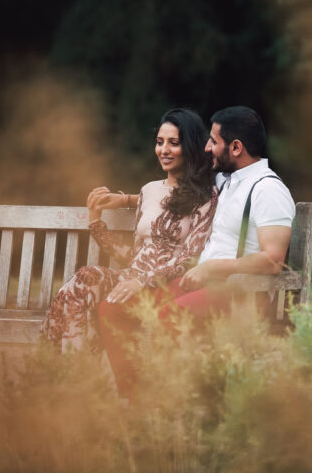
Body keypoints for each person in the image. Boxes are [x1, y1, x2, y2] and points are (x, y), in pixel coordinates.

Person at [41, 108, 217, 356]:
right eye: (159, 142)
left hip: (166, 285)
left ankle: (73, 376)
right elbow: (133, 255)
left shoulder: (206, 195)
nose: (164, 150)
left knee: (82, 287)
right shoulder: (148, 190)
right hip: (131, 278)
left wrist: (141, 282)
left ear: (190, 146)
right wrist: (95, 222)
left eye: (173, 143)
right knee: (84, 280)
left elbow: (190, 258)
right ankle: (73, 372)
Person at [175, 105, 295, 311]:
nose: (207, 147)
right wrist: (124, 200)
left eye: (213, 141)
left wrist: (212, 268)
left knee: (158, 320)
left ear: (236, 148)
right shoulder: (226, 181)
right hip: (203, 287)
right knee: (120, 308)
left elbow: (273, 261)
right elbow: (182, 194)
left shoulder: (268, 190)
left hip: (240, 296)